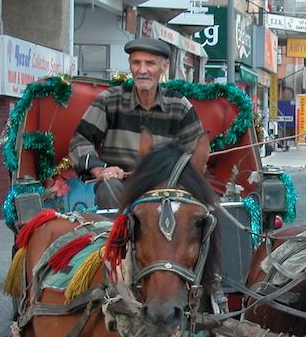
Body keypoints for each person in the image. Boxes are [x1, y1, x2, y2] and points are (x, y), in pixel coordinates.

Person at [69, 37, 206, 208]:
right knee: (109, 188)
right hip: (121, 186)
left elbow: (194, 152)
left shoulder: (179, 105)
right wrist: (102, 170)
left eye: (150, 63)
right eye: (136, 63)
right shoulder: (110, 99)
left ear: (164, 67)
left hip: (167, 188)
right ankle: (115, 235)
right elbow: (80, 141)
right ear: (130, 65)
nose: (142, 70)